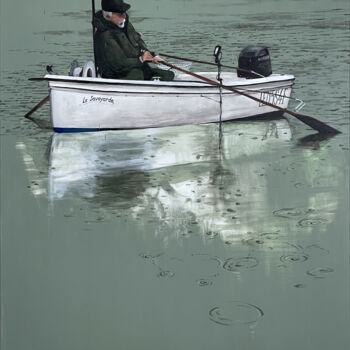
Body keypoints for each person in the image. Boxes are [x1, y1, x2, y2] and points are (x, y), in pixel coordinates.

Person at [93, 0, 175, 81]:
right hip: (116, 75)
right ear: (108, 16)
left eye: (124, 12)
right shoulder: (104, 36)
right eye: (120, 14)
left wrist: (151, 55)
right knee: (138, 75)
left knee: (168, 75)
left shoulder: (126, 25)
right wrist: (141, 59)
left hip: (135, 68)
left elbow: (138, 41)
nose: (124, 16)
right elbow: (119, 64)